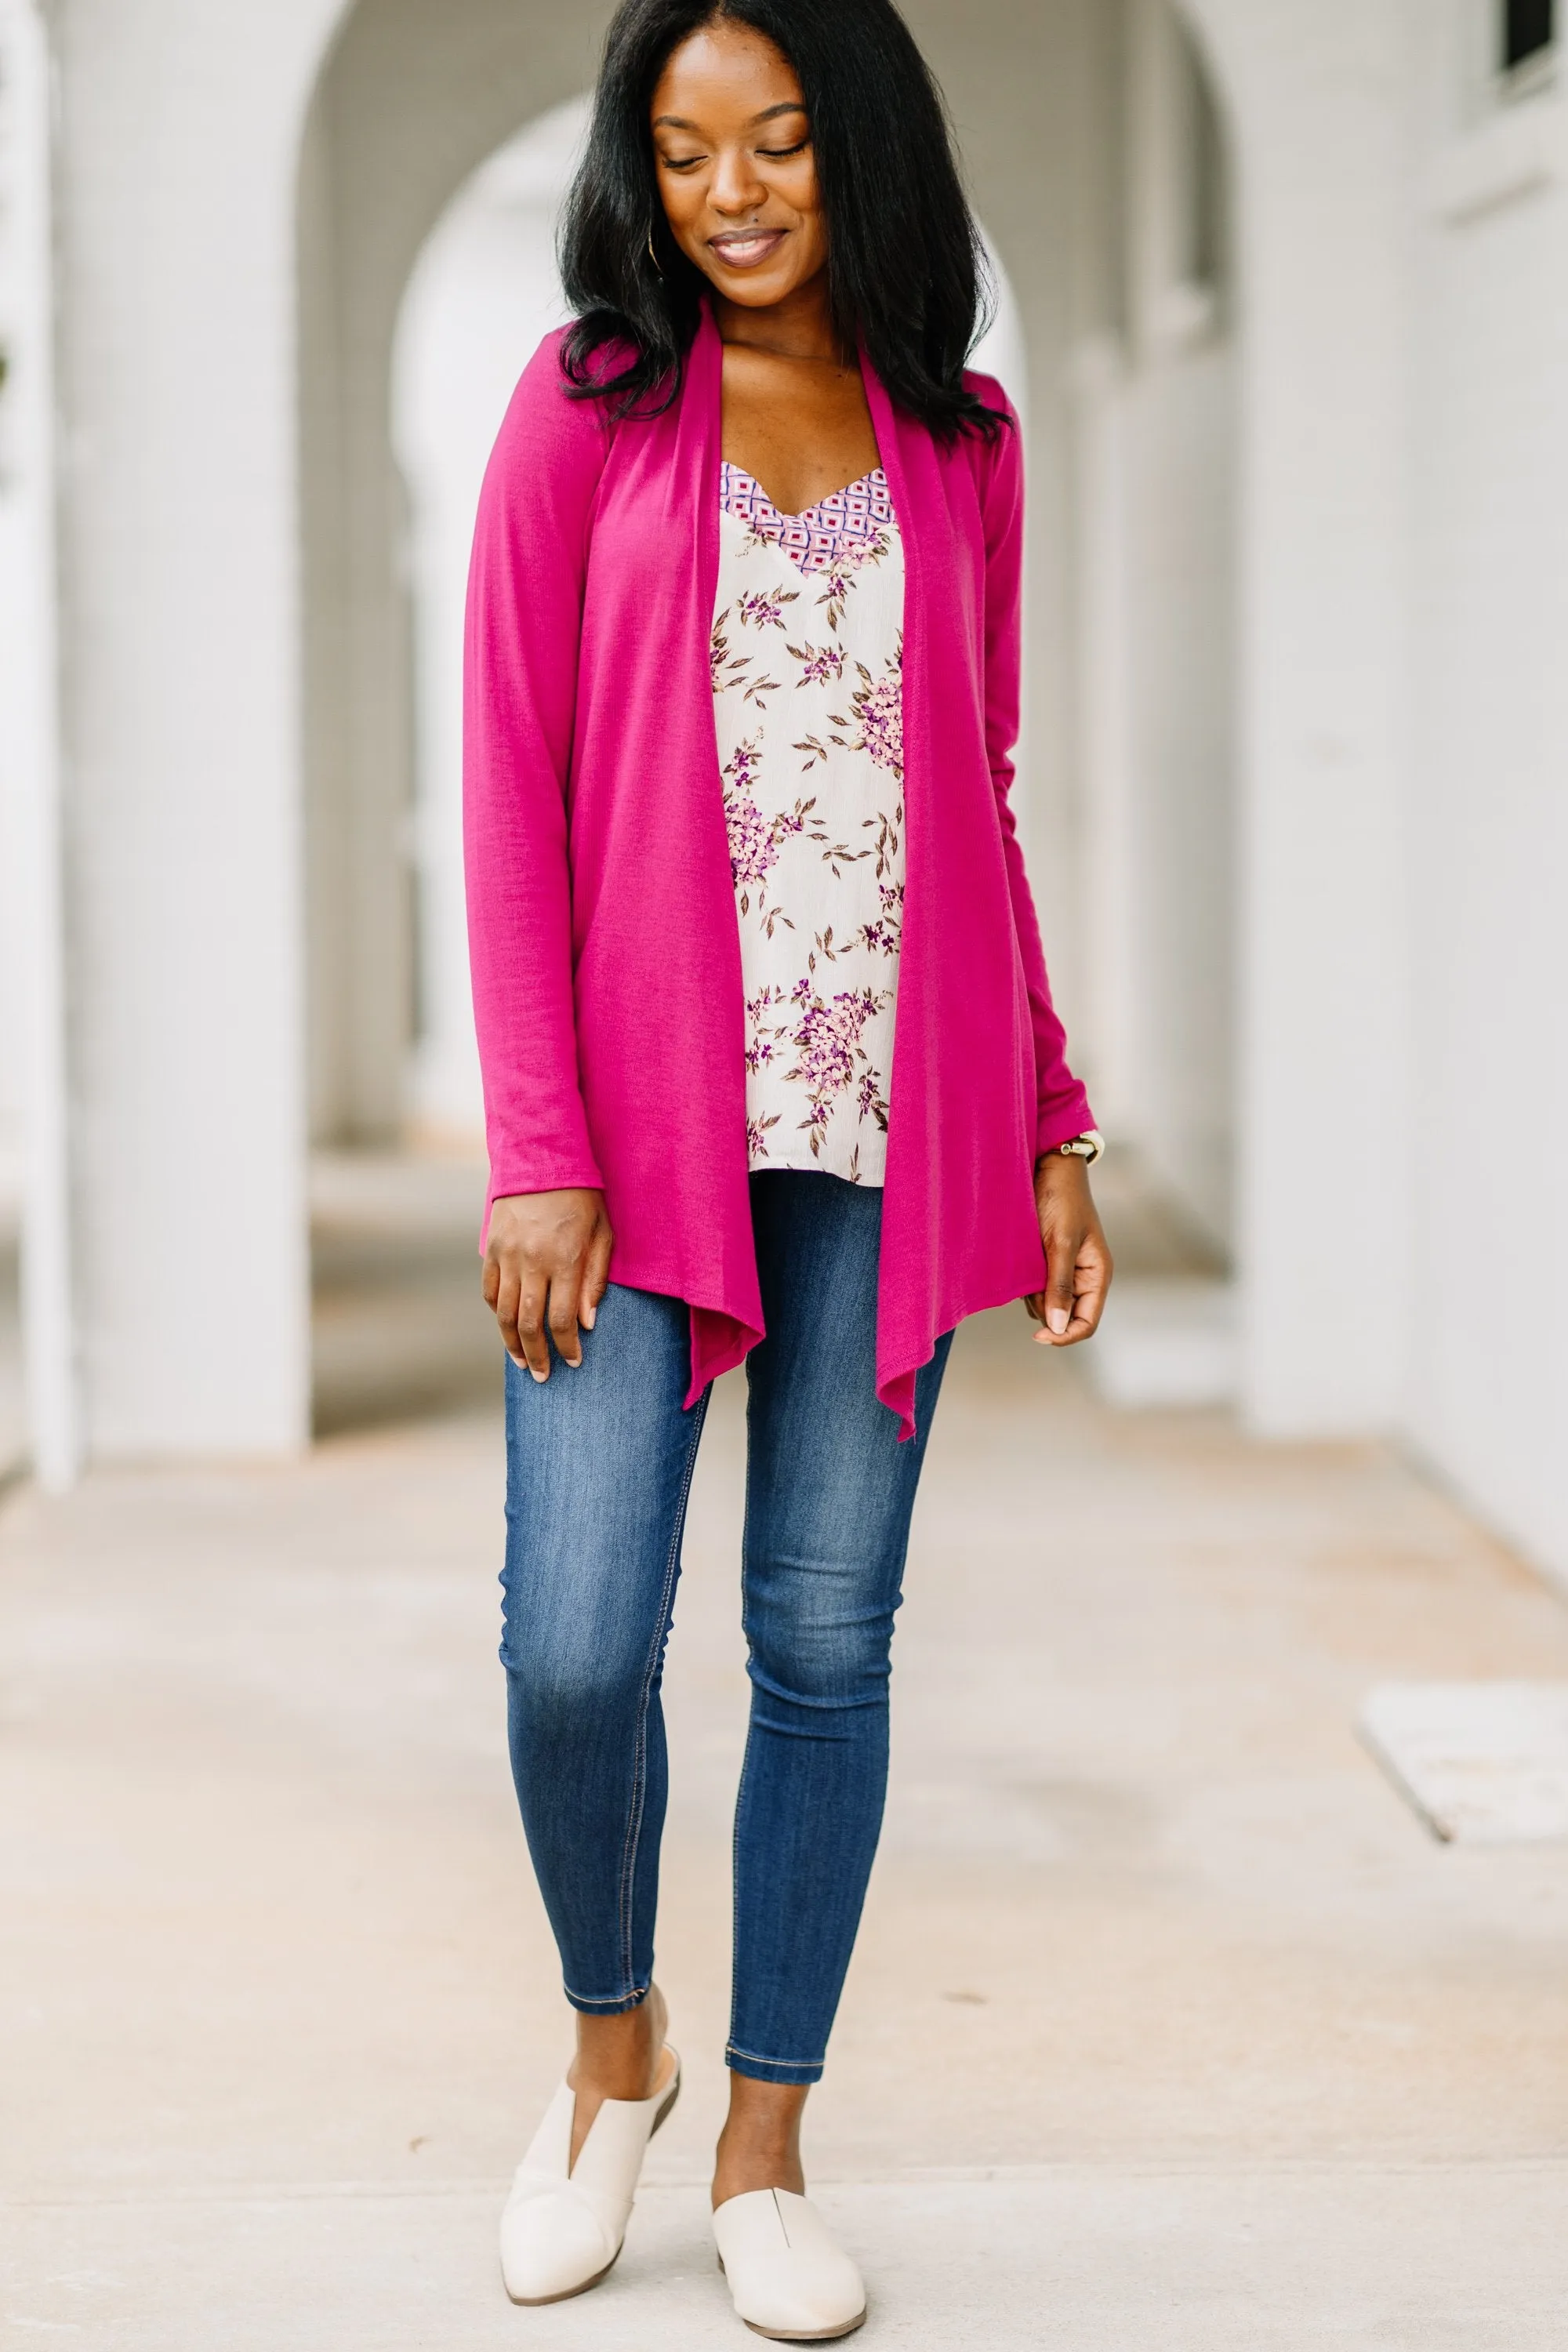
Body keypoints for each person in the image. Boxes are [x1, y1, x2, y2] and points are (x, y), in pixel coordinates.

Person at [463, 0, 1111, 2334]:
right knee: (571, 1649)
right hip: (626, 1164)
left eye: (782, 145)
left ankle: (762, 2142)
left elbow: (984, 796)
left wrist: (1048, 1122)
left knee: (823, 1653)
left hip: (887, 1135)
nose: (732, 192)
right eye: (688, 146)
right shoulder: (587, 410)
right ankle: (606, 2046)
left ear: (864, 153)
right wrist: (539, 1147)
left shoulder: (966, 441)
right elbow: (512, 782)